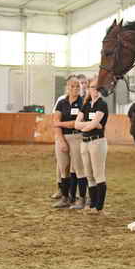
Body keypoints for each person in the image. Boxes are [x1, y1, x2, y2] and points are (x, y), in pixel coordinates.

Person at [50, 73, 87, 209]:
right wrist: (60, 140)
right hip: (62, 138)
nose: (75, 88)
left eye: (78, 86)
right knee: (64, 168)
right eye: (72, 86)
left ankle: (82, 199)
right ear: (67, 87)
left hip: (77, 137)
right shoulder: (61, 102)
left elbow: (77, 123)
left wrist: (62, 123)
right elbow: (55, 122)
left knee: (79, 169)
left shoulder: (83, 102)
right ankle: (65, 198)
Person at [73, 76, 109, 215]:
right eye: (93, 87)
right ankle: (92, 204)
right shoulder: (86, 105)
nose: (96, 90)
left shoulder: (102, 104)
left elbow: (93, 125)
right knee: (89, 174)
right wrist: (90, 125)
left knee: (98, 174)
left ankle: (99, 207)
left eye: (98, 88)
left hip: (97, 142)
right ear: (88, 89)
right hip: (85, 142)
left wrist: (88, 125)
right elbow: (77, 124)